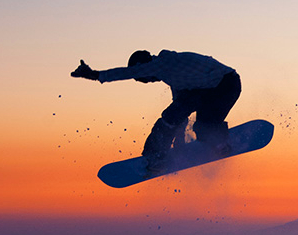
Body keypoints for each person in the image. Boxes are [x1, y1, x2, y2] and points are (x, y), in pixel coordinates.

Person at [71, 50, 240, 170]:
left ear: (145, 68)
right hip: (225, 85)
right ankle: (220, 145)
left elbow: (128, 72)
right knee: (203, 126)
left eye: (144, 79)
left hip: (222, 85)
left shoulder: (161, 63)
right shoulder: (175, 75)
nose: (149, 81)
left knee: (168, 120)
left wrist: (94, 75)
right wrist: (179, 141)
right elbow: (180, 111)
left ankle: (156, 156)